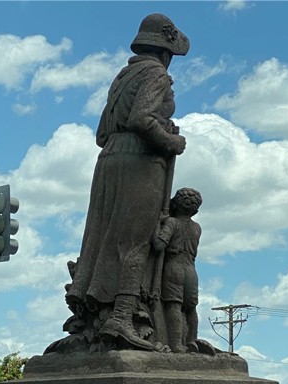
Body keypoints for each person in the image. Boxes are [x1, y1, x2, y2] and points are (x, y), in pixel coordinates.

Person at [64, 14, 189, 351]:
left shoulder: (123, 77)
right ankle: (121, 315)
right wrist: (171, 141)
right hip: (139, 161)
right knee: (138, 242)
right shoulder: (157, 74)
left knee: (103, 239)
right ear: (165, 51)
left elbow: (102, 133)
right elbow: (142, 118)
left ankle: (101, 312)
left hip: (110, 160)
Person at [153, 188, 202, 352]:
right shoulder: (197, 228)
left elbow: (159, 245)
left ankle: (176, 344)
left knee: (174, 305)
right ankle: (192, 342)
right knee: (190, 308)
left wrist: (156, 225)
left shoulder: (172, 223)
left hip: (174, 268)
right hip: (191, 272)